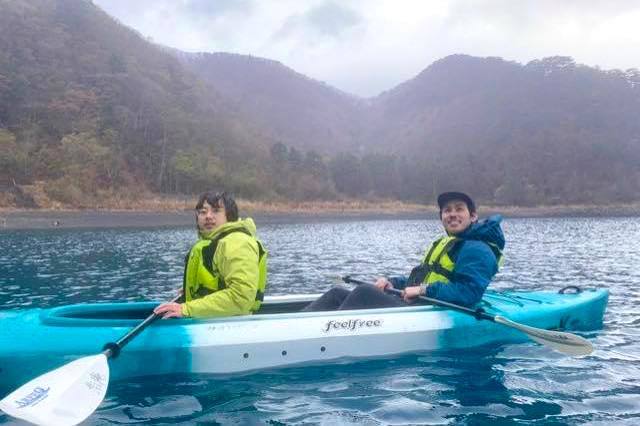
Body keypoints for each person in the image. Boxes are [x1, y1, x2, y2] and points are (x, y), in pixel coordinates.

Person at [302, 191, 505, 311]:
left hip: (438, 310)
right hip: (421, 305)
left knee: (364, 292)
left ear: (473, 216)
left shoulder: (478, 249)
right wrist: (393, 282)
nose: (452, 214)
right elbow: (419, 278)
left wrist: (424, 290)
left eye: (459, 209)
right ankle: (299, 326)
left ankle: (323, 334)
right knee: (337, 293)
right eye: (447, 210)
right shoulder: (446, 243)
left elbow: (469, 292)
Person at [154, 191, 267, 319]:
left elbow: (241, 297)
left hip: (229, 326)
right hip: (213, 320)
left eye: (216, 211)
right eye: (203, 212)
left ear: (229, 216)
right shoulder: (217, 242)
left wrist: (186, 309)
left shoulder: (237, 242)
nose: (208, 216)